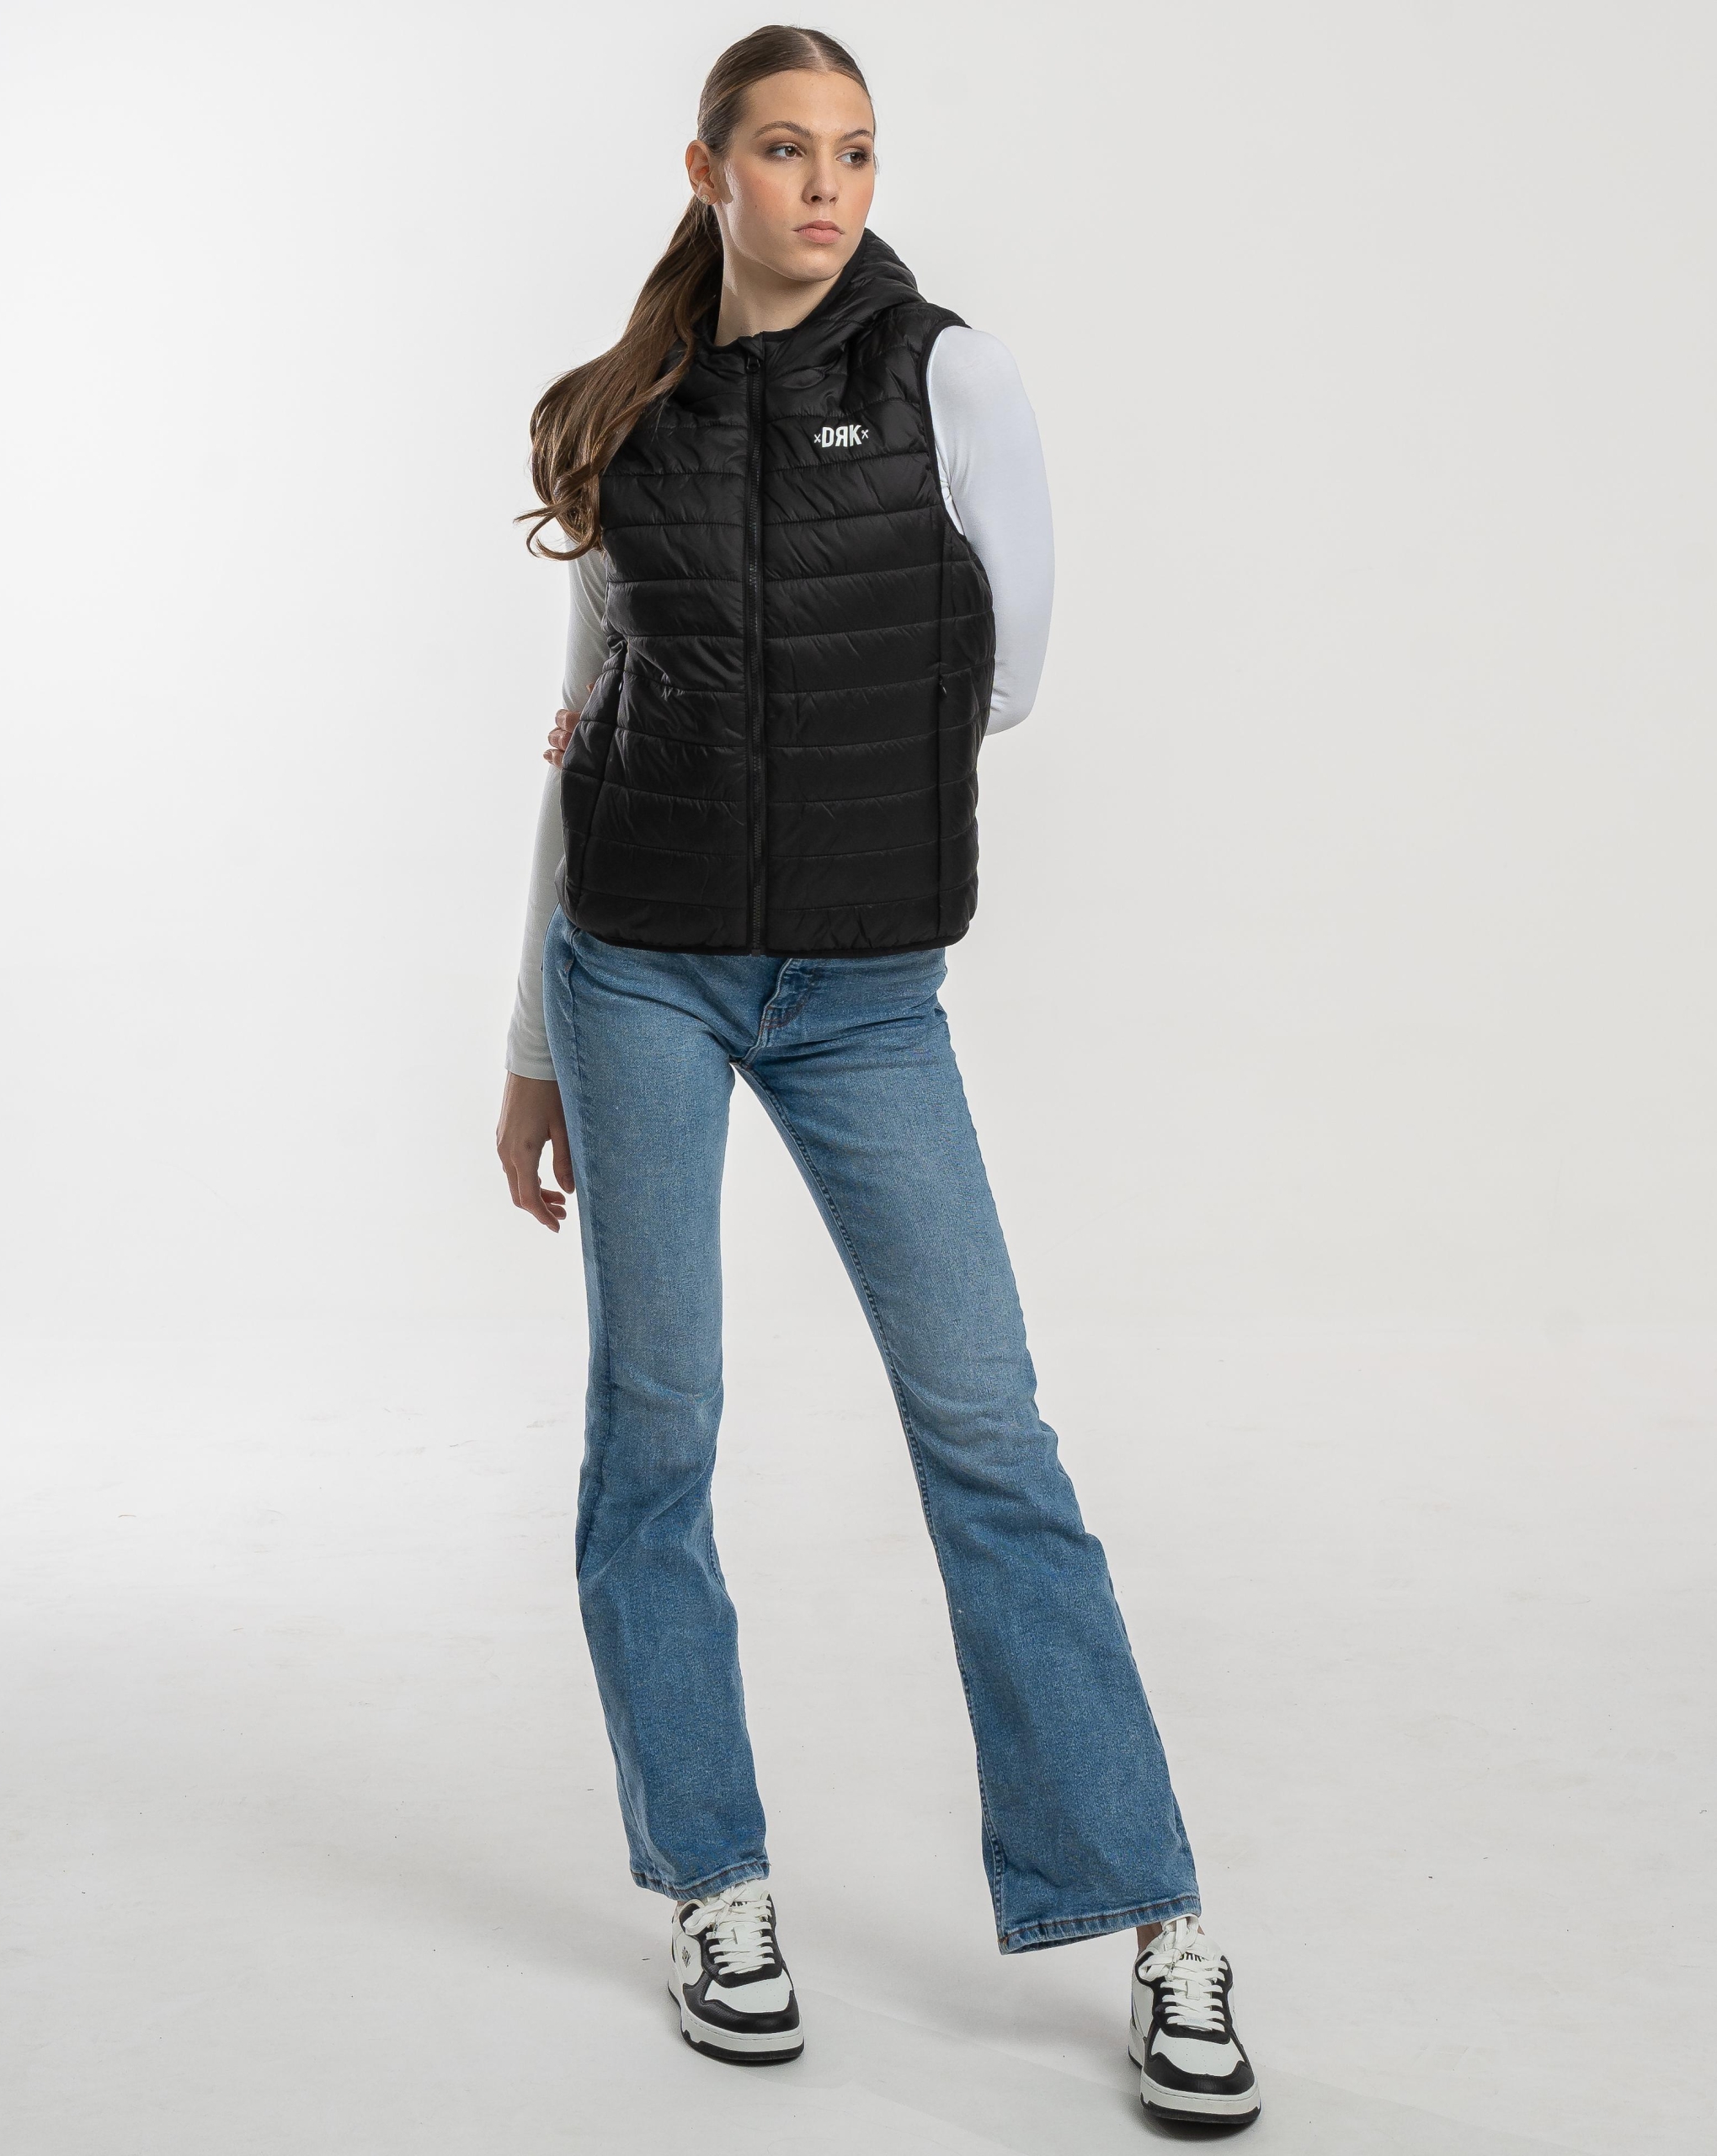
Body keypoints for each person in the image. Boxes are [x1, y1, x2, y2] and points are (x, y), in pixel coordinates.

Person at [494, 24, 1259, 2130]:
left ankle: (1151, 1912)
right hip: (635, 971)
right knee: (655, 1427)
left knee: (988, 1430)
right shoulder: (623, 413)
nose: (825, 187)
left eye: (852, 152)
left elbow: (1006, 678)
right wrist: (530, 1042)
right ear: (708, 171)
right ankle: (714, 1881)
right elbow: (580, 731)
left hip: (861, 991)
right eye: (783, 150)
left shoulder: (951, 378)